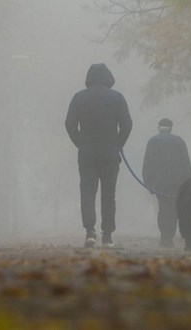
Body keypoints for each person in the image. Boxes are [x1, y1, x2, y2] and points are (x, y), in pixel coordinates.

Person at [65, 63, 132, 248]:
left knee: (87, 192)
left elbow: (69, 124)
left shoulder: (79, 97)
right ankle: (108, 234)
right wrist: (118, 144)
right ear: (108, 77)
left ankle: (89, 231)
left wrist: (80, 143)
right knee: (109, 193)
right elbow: (127, 124)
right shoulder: (117, 97)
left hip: (87, 152)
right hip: (109, 151)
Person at [142, 118, 191, 248]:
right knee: (173, 209)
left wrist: (149, 184)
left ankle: (165, 237)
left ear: (158, 127)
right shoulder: (179, 141)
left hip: (160, 184)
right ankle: (169, 236)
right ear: (171, 127)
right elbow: (186, 164)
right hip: (177, 183)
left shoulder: (153, 141)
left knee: (163, 209)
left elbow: (147, 164)